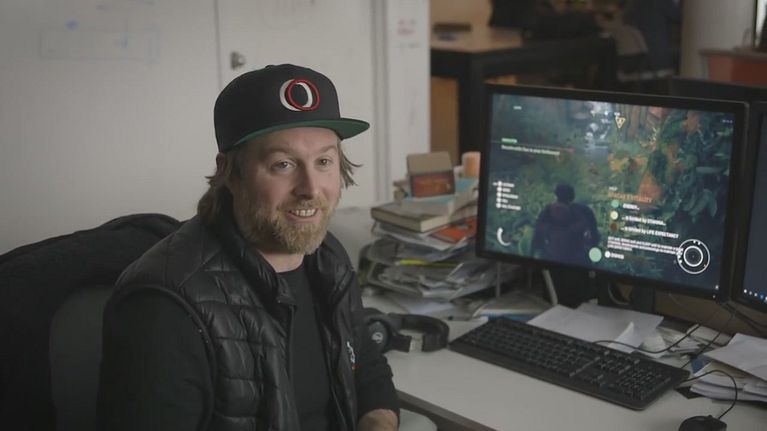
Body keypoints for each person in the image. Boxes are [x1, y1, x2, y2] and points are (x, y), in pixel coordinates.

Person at [97, 64, 400, 431]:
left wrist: (379, 421)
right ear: (230, 173)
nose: (310, 188)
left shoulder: (327, 257)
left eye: (323, 161)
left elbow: (365, 366)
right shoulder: (164, 307)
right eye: (282, 164)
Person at [531, 183, 600, 267]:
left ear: (556, 195)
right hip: (577, 259)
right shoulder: (584, 210)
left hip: (552, 258)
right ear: (573, 196)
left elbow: (537, 236)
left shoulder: (547, 211)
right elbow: (594, 236)